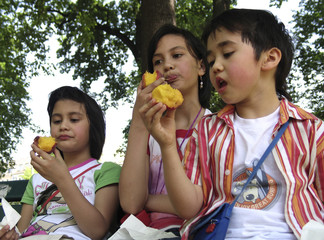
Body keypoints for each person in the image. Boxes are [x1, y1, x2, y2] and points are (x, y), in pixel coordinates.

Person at [139, 9, 324, 240]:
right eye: (211, 59)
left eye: (227, 53)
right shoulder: (206, 131)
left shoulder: (312, 130)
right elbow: (188, 208)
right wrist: (167, 145)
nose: (216, 66)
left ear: (270, 58)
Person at [119, 24, 212, 237]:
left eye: (177, 55)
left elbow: (203, 203)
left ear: (201, 66)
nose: (167, 65)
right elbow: (131, 203)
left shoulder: (215, 127)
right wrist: (139, 121)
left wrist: (147, 199)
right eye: (157, 61)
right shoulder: (149, 131)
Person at [2, 86, 121, 240]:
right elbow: (21, 231)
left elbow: (97, 231)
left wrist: (62, 178)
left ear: (94, 127)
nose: (63, 126)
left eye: (74, 119)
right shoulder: (36, 179)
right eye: (57, 120)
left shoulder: (106, 171)